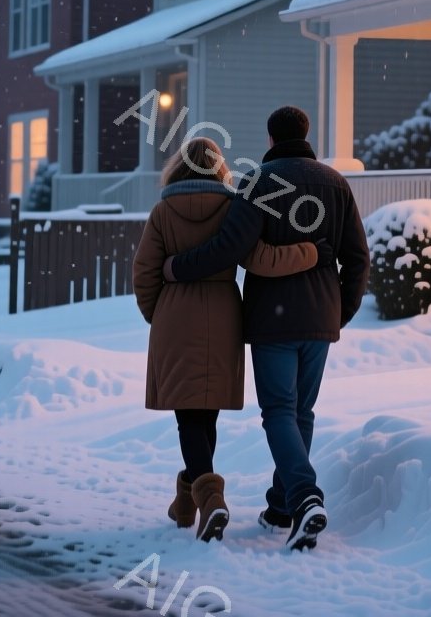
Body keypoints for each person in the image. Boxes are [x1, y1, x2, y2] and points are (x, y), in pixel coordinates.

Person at [163, 106, 369, 551]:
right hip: (319, 318)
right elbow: (357, 257)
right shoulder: (336, 184)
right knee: (301, 414)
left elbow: (229, 248)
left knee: (279, 411)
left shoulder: (258, 183)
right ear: (306, 134)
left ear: (271, 139)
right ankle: (281, 505)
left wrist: (178, 266)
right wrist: (341, 310)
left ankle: (304, 495)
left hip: (273, 319)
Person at [132, 136, 329, 542]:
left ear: (178, 168)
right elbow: (261, 259)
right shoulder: (231, 208)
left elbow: (144, 273)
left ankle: (209, 497)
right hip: (223, 317)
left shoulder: (163, 211)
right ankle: (189, 499)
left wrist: (161, 314)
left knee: (188, 416)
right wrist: (311, 251)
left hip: (175, 316)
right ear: (219, 168)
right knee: (207, 413)